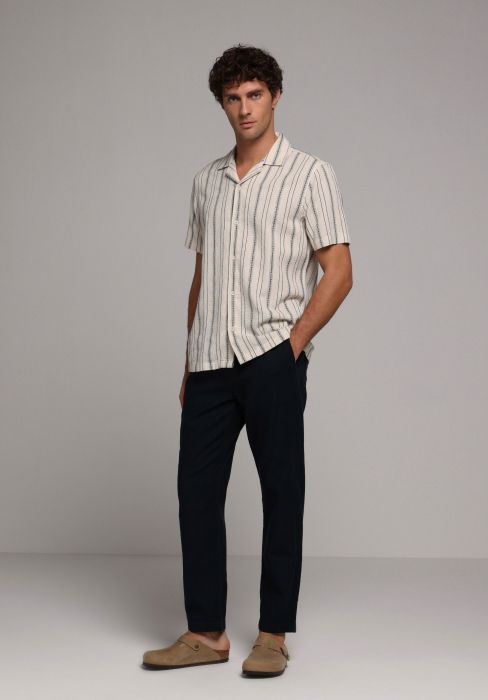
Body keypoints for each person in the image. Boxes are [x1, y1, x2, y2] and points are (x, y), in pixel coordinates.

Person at [142, 43, 353, 678]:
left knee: (281, 494)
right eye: (232, 98)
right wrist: (189, 360)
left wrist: (292, 346)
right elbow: (201, 277)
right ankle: (205, 632)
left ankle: (273, 634)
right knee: (196, 495)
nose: (244, 108)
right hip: (209, 361)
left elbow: (339, 272)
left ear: (275, 96)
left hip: (271, 358)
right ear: (221, 104)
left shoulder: (310, 174)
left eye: (254, 95)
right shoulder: (206, 181)